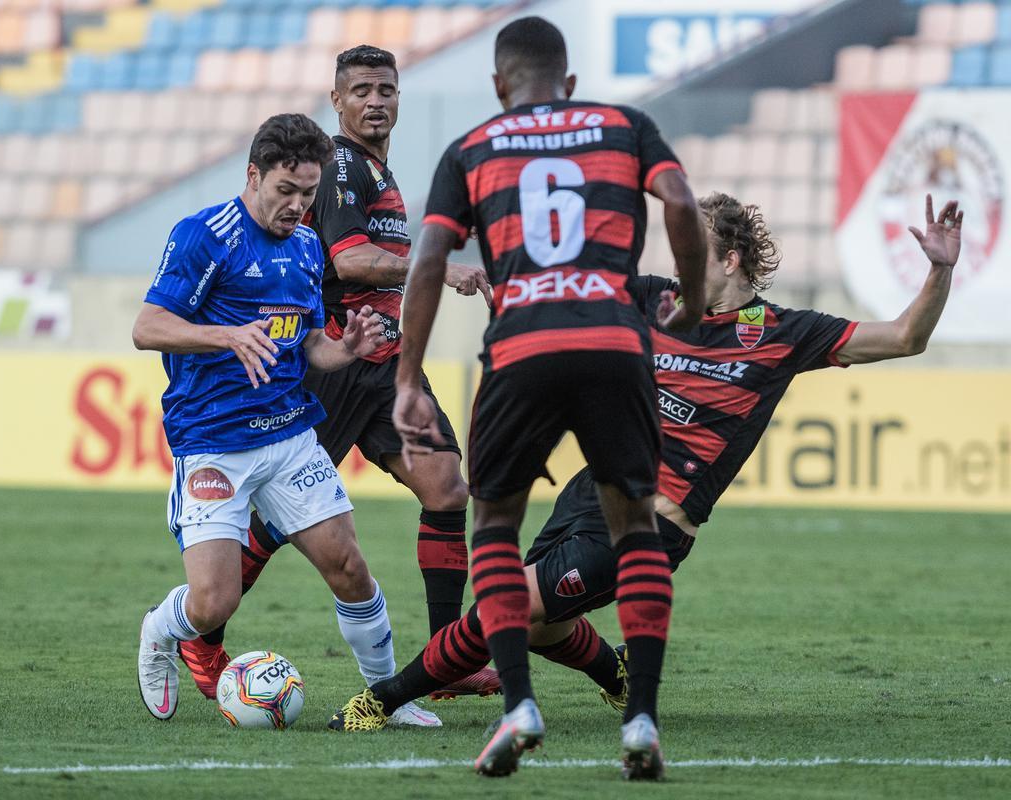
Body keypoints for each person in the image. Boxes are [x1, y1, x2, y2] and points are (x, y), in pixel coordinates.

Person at [328, 192, 964, 782]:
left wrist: (938, 271)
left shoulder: (785, 333)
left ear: (730, 260)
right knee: (542, 624)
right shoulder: (656, 299)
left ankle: (380, 701)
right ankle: (617, 676)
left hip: (650, 524)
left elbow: (906, 337)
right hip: (587, 492)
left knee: (507, 606)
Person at [385, 16, 708, 778]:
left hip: (522, 346)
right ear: (567, 83)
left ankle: (519, 706)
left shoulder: (473, 147)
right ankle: (642, 722)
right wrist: (691, 307)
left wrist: (406, 377)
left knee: (495, 522)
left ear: (500, 86)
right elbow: (684, 205)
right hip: (612, 341)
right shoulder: (626, 125)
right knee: (634, 526)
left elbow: (430, 255)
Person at [175, 45, 498, 719]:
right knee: (281, 515)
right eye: (362, 91)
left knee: (445, 489)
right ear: (338, 100)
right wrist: (439, 267)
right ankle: (203, 638)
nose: (376, 100)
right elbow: (351, 263)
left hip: (383, 366)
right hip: (334, 362)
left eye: (387, 89)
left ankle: (444, 659)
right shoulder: (340, 164)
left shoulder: (374, 167)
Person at [133, 113, 408, 723]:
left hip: (288, 434)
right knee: (212, 603)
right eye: (286, 191)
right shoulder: (205, 234)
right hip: (212, 441)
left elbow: (310, 347)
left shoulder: (308, 246)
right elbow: (147, 328)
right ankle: (159, 630)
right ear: (253, 175)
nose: (298, 205)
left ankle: (389, 697)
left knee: (350, 567)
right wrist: (225, 336)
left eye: (308, 193)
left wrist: (349, 349)